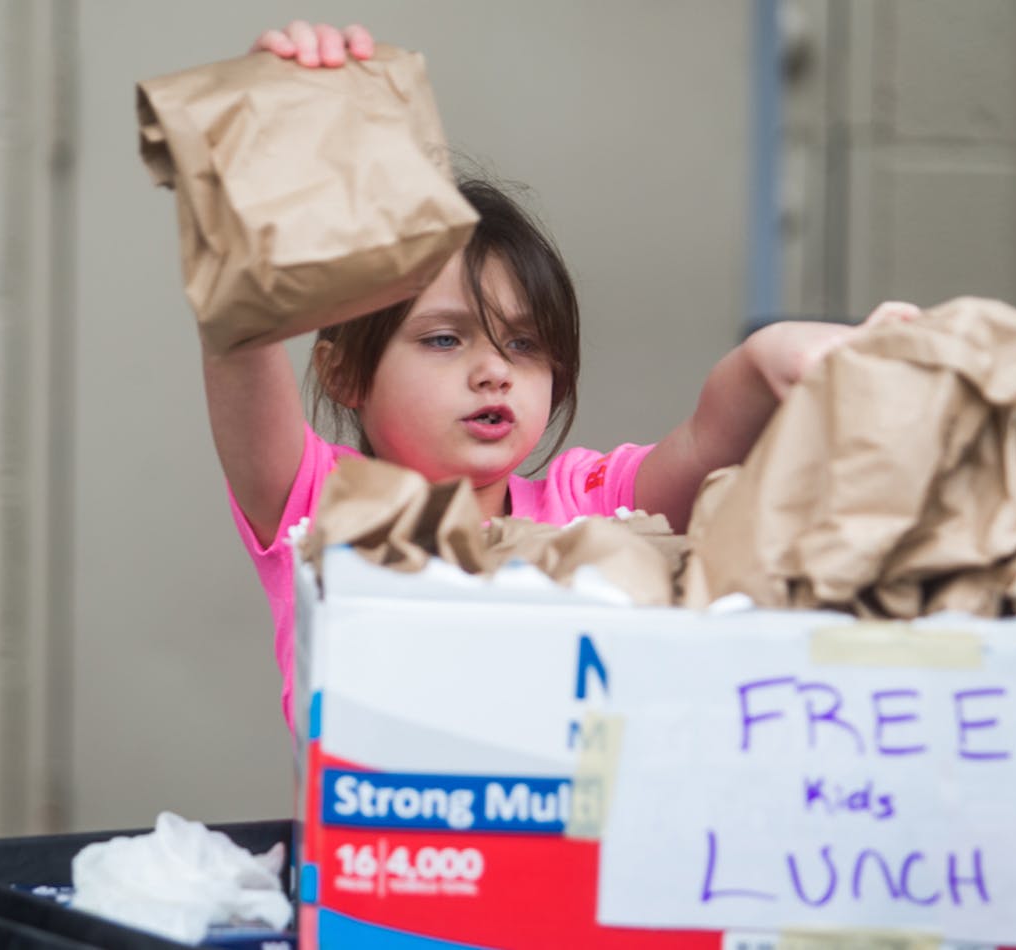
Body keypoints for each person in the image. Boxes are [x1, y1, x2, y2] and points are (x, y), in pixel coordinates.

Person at [218, 22, 921, 728]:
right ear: (344, 376)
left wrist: (788, 357)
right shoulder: (318, 504)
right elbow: (238, 334)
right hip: (386, 835)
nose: (493, 371)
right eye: (442, 339)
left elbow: (712, 434)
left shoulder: (587, 503)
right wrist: (251, 159)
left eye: (524, 345)